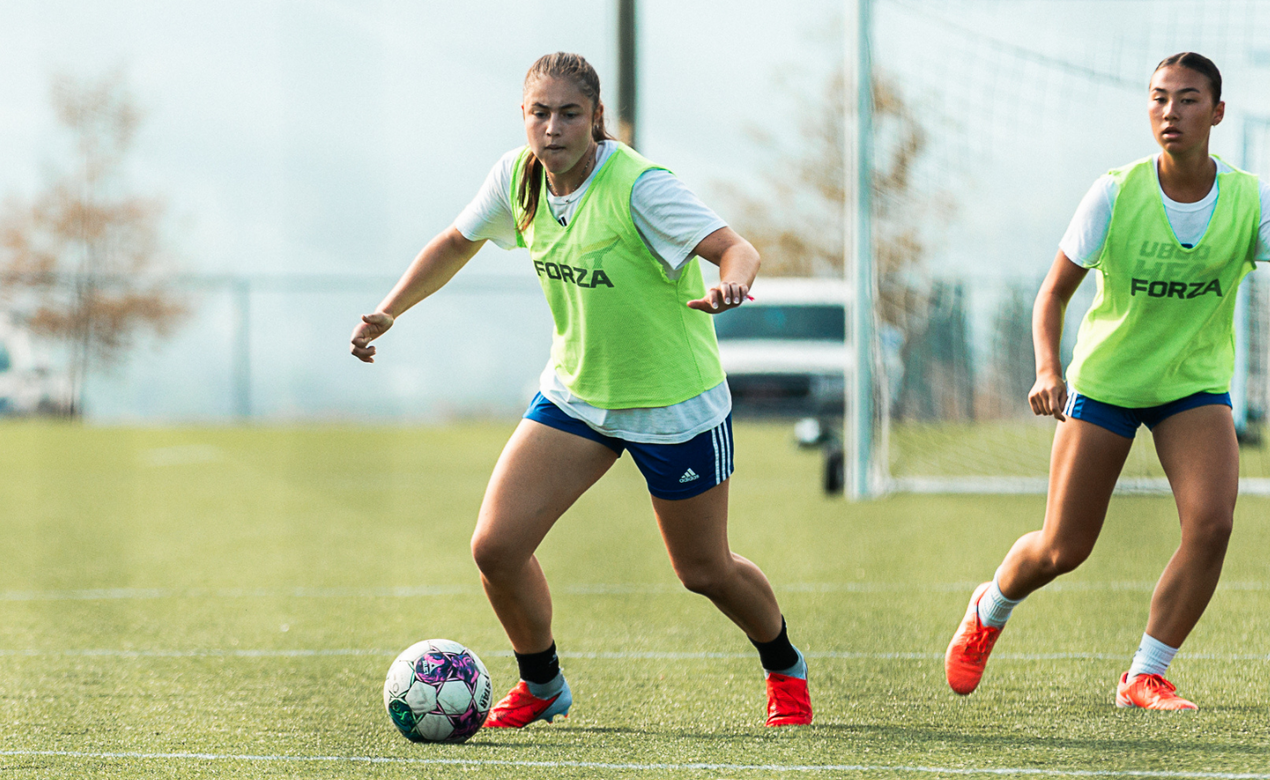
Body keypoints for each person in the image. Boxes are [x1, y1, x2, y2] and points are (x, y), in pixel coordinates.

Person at [350, 52, 811, 728]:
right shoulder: (517, 178)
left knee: (704, 571)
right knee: (496, 548)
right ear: (523, 115)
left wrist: (732, 284)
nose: (553, 128)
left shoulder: (640, 187)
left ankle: (784, 666)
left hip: (674, 405)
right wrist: (391, 310)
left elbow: (737, 248)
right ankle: (542, 685)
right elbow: (456, 241)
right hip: (578, 397)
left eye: (569, 114)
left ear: (596, 117)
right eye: (540, 113)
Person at [944, 52, 1270, 711]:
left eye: (1187, 99)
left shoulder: (1250, 199)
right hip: (1107, 385)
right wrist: (1047, 370)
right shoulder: (1114, 193)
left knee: (1211, 525)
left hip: (1192, 387)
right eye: (1158, 98)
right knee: (1063, 548)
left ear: (1217, 112)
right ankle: (990, 605)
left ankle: (1146, 674)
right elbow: (1052, 294)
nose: (1170, 112)